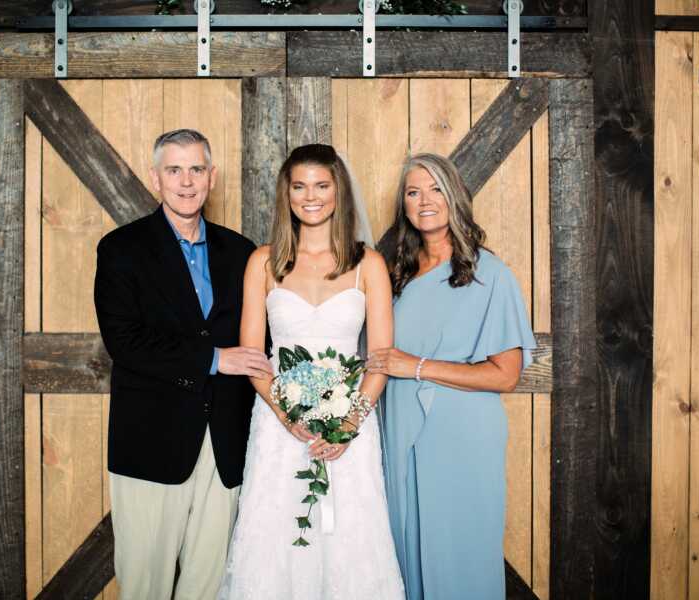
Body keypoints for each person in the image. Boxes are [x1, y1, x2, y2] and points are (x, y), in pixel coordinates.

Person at [218, 144, 404, 599]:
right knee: (276, 538)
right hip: (279, 424)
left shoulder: (368, 264)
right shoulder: (263, 261)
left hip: (349, 427)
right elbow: (251, 355)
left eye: (321, 186)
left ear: (339, 192)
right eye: (299, 187)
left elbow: (380, 358)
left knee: (349, 541)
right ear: (287, 195)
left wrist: (349, 423)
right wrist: (284, 414)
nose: (311, 196)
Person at [94, 128, 273, 600]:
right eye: (174, 169)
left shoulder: (242, 252)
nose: (186, 181)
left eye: (196, 169)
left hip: (225, 444)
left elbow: (263, 339)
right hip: (152, 442)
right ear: (156, 178)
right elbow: (125, 341)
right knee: (144, 583)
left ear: (212, 177)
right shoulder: (121, 249)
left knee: (208, 582)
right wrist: (215, 358)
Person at [367, 153, 537, 600]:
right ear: (403, 205)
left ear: (455, 197)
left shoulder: (489, 275)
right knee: (404, 556)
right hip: (400, 429)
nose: (424, 200)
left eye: (435, 188)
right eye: (413, 191)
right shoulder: (393, 274)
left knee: (459, 558)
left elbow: (506, 375)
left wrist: (416, 366)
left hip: (461, 437)